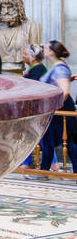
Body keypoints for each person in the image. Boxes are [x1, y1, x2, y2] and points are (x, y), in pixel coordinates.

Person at [39, 41, 77, 173]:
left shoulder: (59, 67)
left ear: (51, 52)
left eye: (45, 47)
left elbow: (65, 91)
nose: (43, 49)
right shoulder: (57, 65)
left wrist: (53, 107)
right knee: (49, 140)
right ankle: (44, 171)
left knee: (69, 140)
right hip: (57, 108)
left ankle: (44, 171)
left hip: (60, 109)